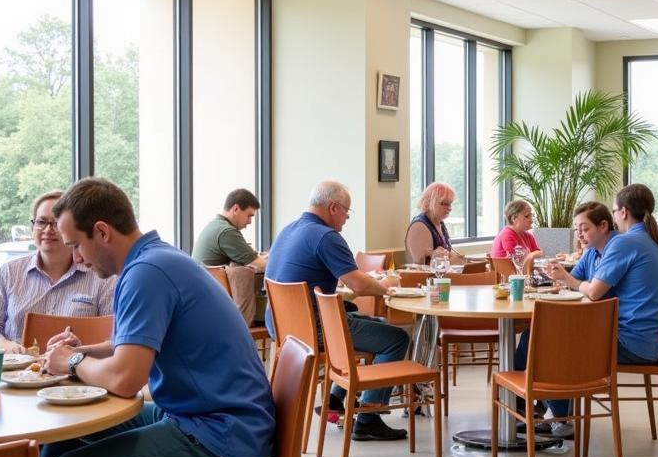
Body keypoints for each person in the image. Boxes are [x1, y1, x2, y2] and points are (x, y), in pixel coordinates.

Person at [40, 178, 275, 457]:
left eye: (77, 245)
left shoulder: (146, 274)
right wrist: (84, 351)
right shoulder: (157, 260)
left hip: (221, 438)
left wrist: (73, 362)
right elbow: (131, 343)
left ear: (102, 232)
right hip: (212, 420)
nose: (78, 258)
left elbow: (127, 379)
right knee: (65, 435)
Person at [265, 180, 410, 442]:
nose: (346, 219)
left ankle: (335, 396)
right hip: (314, 328)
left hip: (282, 326)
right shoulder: (326, 236)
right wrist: (385, 286)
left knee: (365, 319)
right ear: (333, 207)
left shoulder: (287, 230)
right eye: (346, 212)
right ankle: (368, 418)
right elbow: (357, 284)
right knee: (396, 338)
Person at [534, 187, 658, 436]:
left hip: (629, 342)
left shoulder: (625, 242)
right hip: (651, 341)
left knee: (542, 338)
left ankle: (551, 415)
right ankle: (548, 412)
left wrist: (569, 281)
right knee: (543, 337)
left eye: (614, 212)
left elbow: (594, 292)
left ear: (623, 212)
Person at [0, 189, 115, 351]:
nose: (48, 230)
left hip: (77, 370)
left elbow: (113, 338)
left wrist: (80, 348)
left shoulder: (103, 278)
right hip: (16, 372)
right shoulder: (8, 273)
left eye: (56, 223)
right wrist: (3, 344)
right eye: (41, 222)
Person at [192, 188, 267, 324]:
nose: (250, 222)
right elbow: (259, 264)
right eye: (249, 215)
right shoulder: (227, 232)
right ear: (236, 209)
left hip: (203, 299)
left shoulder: (215, 226)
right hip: (217, 302)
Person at [404, 182, 466, 266]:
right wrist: (451, 260)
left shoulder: (440, 223)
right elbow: (421, 267)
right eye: (444, 204)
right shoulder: (419, 226)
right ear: (429, 202)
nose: (450, 208)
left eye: (450, 203)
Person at [490, 199, 541, 272]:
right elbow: (519, 262)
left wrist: (532, 256)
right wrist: (532, 255)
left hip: (521, 275)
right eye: (527, 216)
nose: (531, 220)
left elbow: (538, 255)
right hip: (507, 279)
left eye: (531, 216)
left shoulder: (528, 235)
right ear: (514, 218)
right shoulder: (507, 234)